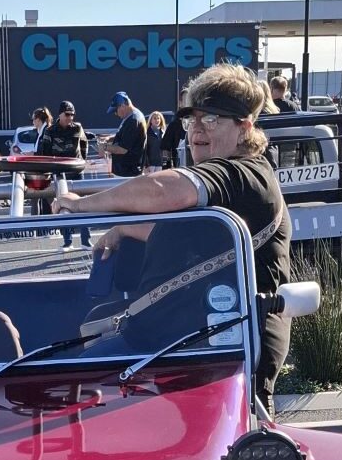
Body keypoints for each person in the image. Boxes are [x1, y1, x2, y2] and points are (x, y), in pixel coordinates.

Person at [53, 62, 291, 417]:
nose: (197, 129)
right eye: (192, 119)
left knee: (67, 396)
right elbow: (185, 230)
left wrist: (80, 205)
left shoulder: (243, 174)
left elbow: (164, 189)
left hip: (217, 356)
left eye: (211, 119)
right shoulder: (232, 179)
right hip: (175, 346)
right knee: (59, 379)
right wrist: (121, 229)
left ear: (245, 126)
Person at [39, 100, 91, 250]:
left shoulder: (77, 128)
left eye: (72, 115)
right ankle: (67, 241)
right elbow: (46, 153)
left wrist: (81, 161)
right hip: (59, 172)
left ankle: (85, 240)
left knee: (82, 205)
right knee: (63, 205)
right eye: (67, 114)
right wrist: (49, 171)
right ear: (60, 114)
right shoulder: (50, 131)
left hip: (76, 171)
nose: (70, 118)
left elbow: (84, 145)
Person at [100, 92, 146, 177]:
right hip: (126, 171)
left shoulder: (133, 120)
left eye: (115, 110)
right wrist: (109, 138)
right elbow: (125, 136)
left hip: (128, 173)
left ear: (123, 106)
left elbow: (123, 149)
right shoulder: (131, 116)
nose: (115, 114)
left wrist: (104, 147)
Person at [30, 107, 53, 218]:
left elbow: (43, 152)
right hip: (39, 170)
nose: (32, 122)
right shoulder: (41, 132)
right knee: (36, 198)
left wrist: (32, 154)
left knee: (47, 199)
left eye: (33, 119)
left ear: (38, 120)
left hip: (43, 170)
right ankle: (37, 226)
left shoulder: (46, 132)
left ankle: (37, 226)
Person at [160, 89, 188, 168]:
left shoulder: (200, 123)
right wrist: (167, 166)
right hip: (180, 170)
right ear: (180, 103)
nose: (188, 104)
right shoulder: (174, 124)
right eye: (186, 100)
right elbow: (165, 147)